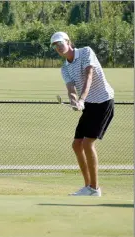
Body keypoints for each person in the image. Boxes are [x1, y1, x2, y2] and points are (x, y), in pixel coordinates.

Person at [50, 32, 114, 196]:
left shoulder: (86, 52)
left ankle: (94, 188)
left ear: (68, 41)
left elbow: (89, 75)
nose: (58, 47)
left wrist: (82, 99)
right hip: (89, 105)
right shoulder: (64, 68)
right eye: (55, 46)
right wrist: (74, 102)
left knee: (87, 144)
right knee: (76, 145)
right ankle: (88, 186)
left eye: (60, 43)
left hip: (103, 102)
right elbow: (71, 89)